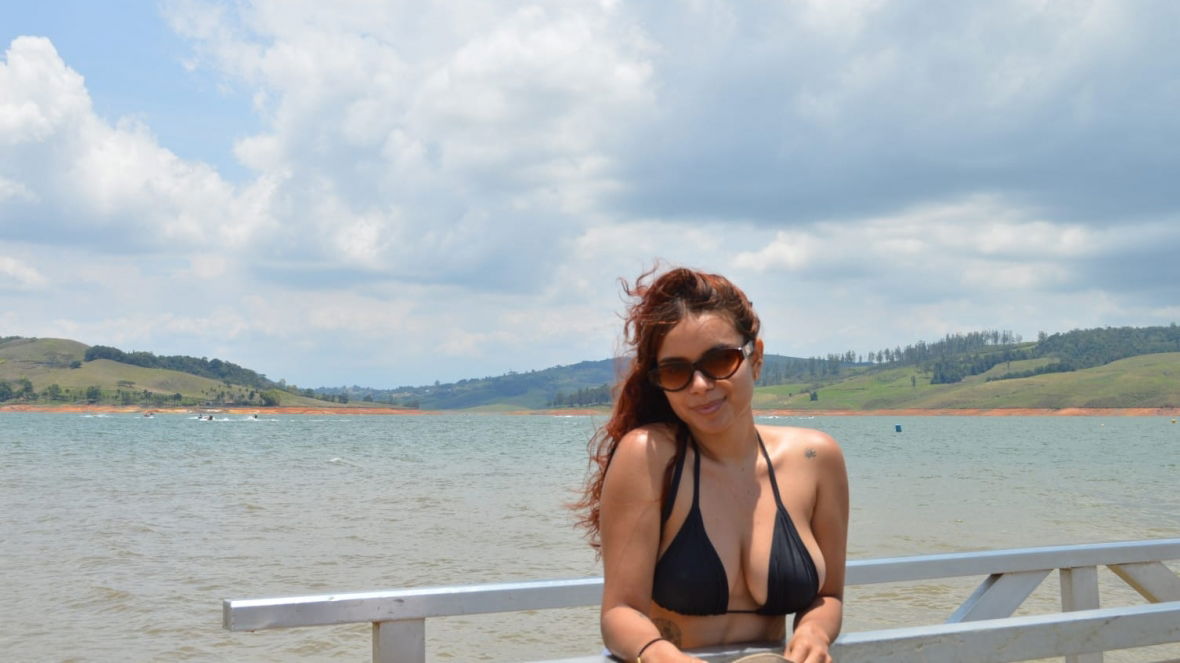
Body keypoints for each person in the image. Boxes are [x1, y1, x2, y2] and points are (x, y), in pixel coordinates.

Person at [577, 267, 849, 663]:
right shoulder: (648, 456)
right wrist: (658, 654)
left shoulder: (816, 459)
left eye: (720, 360)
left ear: (756, 358)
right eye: (676, 371)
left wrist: (814, 632)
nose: (700, 386)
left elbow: (829, 596)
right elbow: (620, 612)